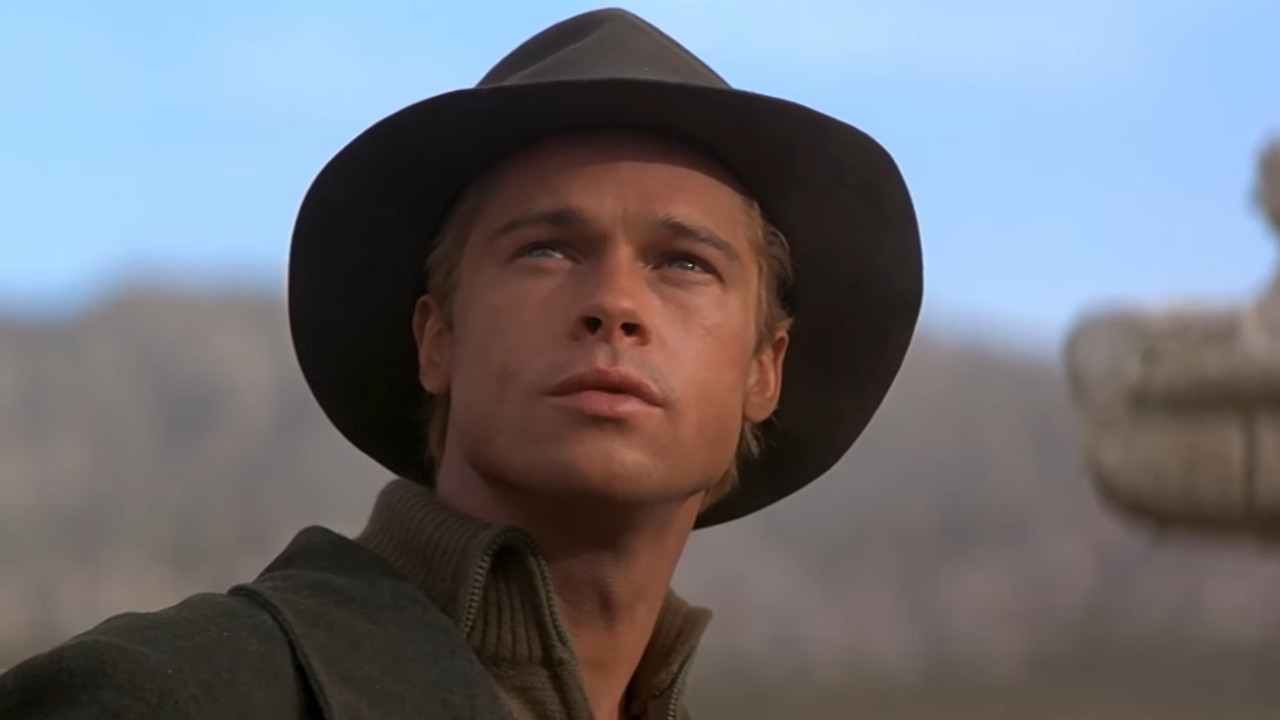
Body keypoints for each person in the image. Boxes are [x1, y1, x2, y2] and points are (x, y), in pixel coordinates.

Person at [0, 8, 921, 719]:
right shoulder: (163, 697)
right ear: (436, 339)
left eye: (682, 263)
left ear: (765, 371)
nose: (615, 304)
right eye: (546, 250)